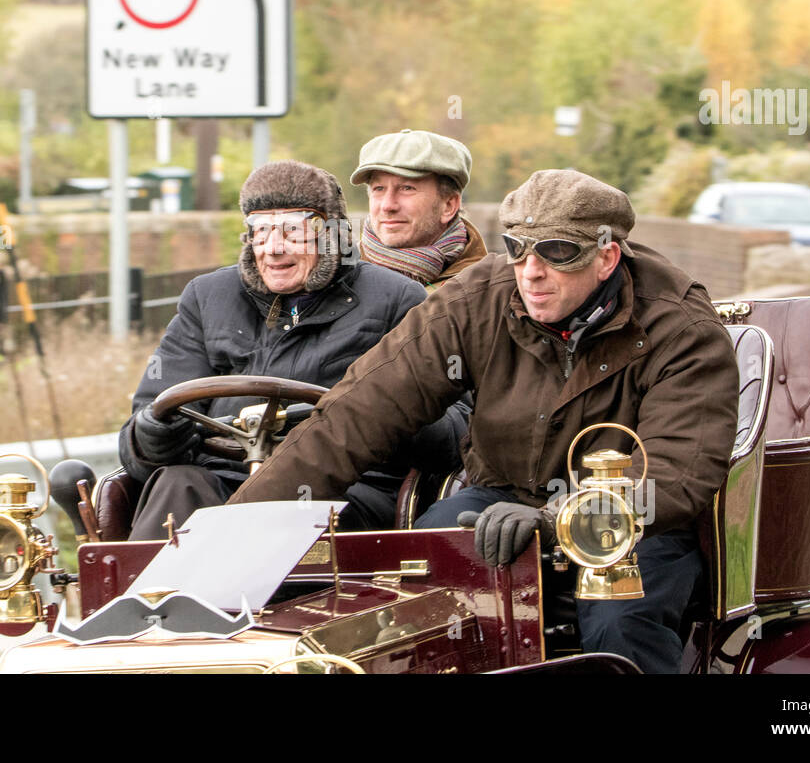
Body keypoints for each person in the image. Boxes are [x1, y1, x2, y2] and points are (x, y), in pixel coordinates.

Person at [229, 169, 740, 673]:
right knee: (413, 589)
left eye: (558, 253)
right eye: (517, 248)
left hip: (628, 521)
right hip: (500, 493)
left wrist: (555, 521)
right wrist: (233, 531)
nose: (531, 271)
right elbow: (356, 413)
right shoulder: (478, 298)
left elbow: (675, 473)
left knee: (620, 621)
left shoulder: (682, 328)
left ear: (607, 257)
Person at [118, 160, 467, 540]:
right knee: (176, 483)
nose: (273, 248)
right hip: (220, 479)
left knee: (290, 516)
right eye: (261, 231)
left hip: (342, 489)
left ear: (332, 235)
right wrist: (155, 433)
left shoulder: (397, 299)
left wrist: (385, 407)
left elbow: (454, 432)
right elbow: (147, 422)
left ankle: (237, 594)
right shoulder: (207, 297)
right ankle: (151, 597)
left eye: (294, 232)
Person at [352, 129, 487, 290]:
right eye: (379, 188)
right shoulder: (337, 279)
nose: (387, 206)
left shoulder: (488, 290)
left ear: (449, 205)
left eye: (407, 188)